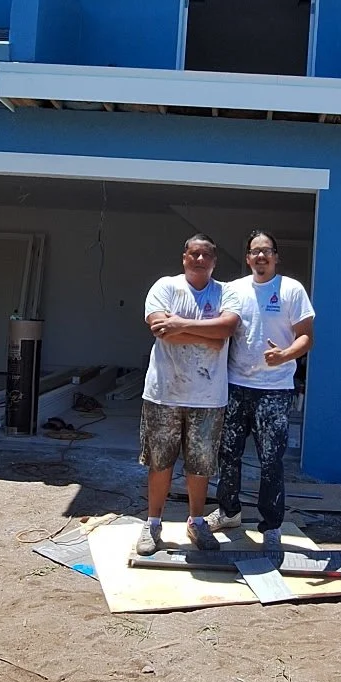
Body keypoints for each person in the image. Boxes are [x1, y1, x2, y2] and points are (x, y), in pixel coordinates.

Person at [208, 231, 315, 554]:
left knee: (271, 461)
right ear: (247, 257)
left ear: (276, 257)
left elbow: (306, 336)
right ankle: (229, 512)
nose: (260, 257)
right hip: (236, 386)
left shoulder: (291, 290)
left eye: (266, 251)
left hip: (275, 390)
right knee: (228, 455)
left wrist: (284, 355)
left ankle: (271, 526)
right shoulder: (234, 289)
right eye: (255, 251)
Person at [137, 233, 240, 557]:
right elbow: (158, 328)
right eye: (194, 254)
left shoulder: (226, 292)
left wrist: (179, 325)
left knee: (201, 466)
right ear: (184, 257)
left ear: (214, 261)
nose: (199, 259)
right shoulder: (165, 287)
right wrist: (205, 335)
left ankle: (197, 521)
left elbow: (225, 331)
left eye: (206, 255)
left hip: (208, 398)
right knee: (160, 462)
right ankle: (153, 524)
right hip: (163, 394)